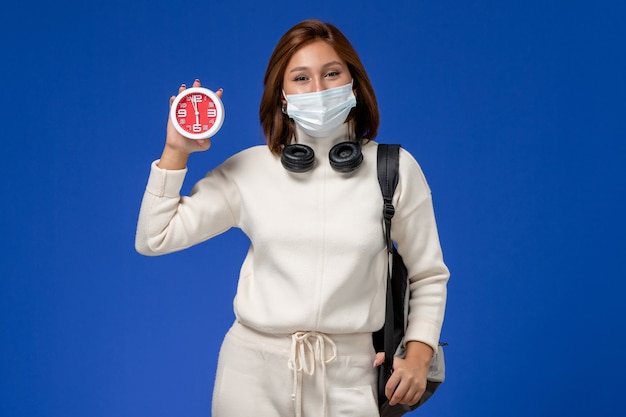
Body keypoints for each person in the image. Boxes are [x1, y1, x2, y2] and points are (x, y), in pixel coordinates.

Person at [135, 19, 449, 417]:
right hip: (250, 377)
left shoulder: (394, 170)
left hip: (350, 376)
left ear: (354, 83)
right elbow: (154, 237)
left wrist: (419, 356)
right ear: (282, 95)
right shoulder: (249, 170)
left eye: (331, 73)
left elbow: (428, 274)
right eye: (301, 78)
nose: (318, 89)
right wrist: (175, 149)